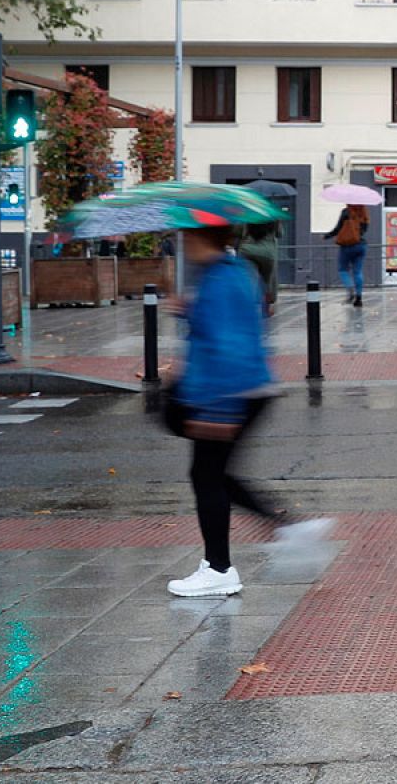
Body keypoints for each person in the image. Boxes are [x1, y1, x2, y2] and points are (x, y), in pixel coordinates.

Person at [164, 224, 279, 598]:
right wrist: (190, 311)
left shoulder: (221, 280)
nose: (182, 246)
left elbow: (229, 345)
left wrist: (218, 411)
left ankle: (219, 568)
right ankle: (278, 529)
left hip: (227, 394)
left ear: (202, 239)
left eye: (186, 238)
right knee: (214, 474)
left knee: (208, 475)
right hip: (237, 389)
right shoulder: (231, 272)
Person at [325, 205, 369, 307]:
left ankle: (350, 288)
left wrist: (327, 236)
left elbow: (338, 228)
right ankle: (359, 297)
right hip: (361, 245)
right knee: (357, 271)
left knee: (343, 270)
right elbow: (364, 230)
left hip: (347, 246)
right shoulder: (364, 213)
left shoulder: (346, 212)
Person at [239, 222, 281, 316]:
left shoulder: (248, 214)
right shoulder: (273, 216)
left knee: (246, 281)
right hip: (267, 253)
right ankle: (266, 309)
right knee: (267, 282)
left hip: (247, 250)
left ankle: (244, 307)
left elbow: (239, 232)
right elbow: (279, 233)